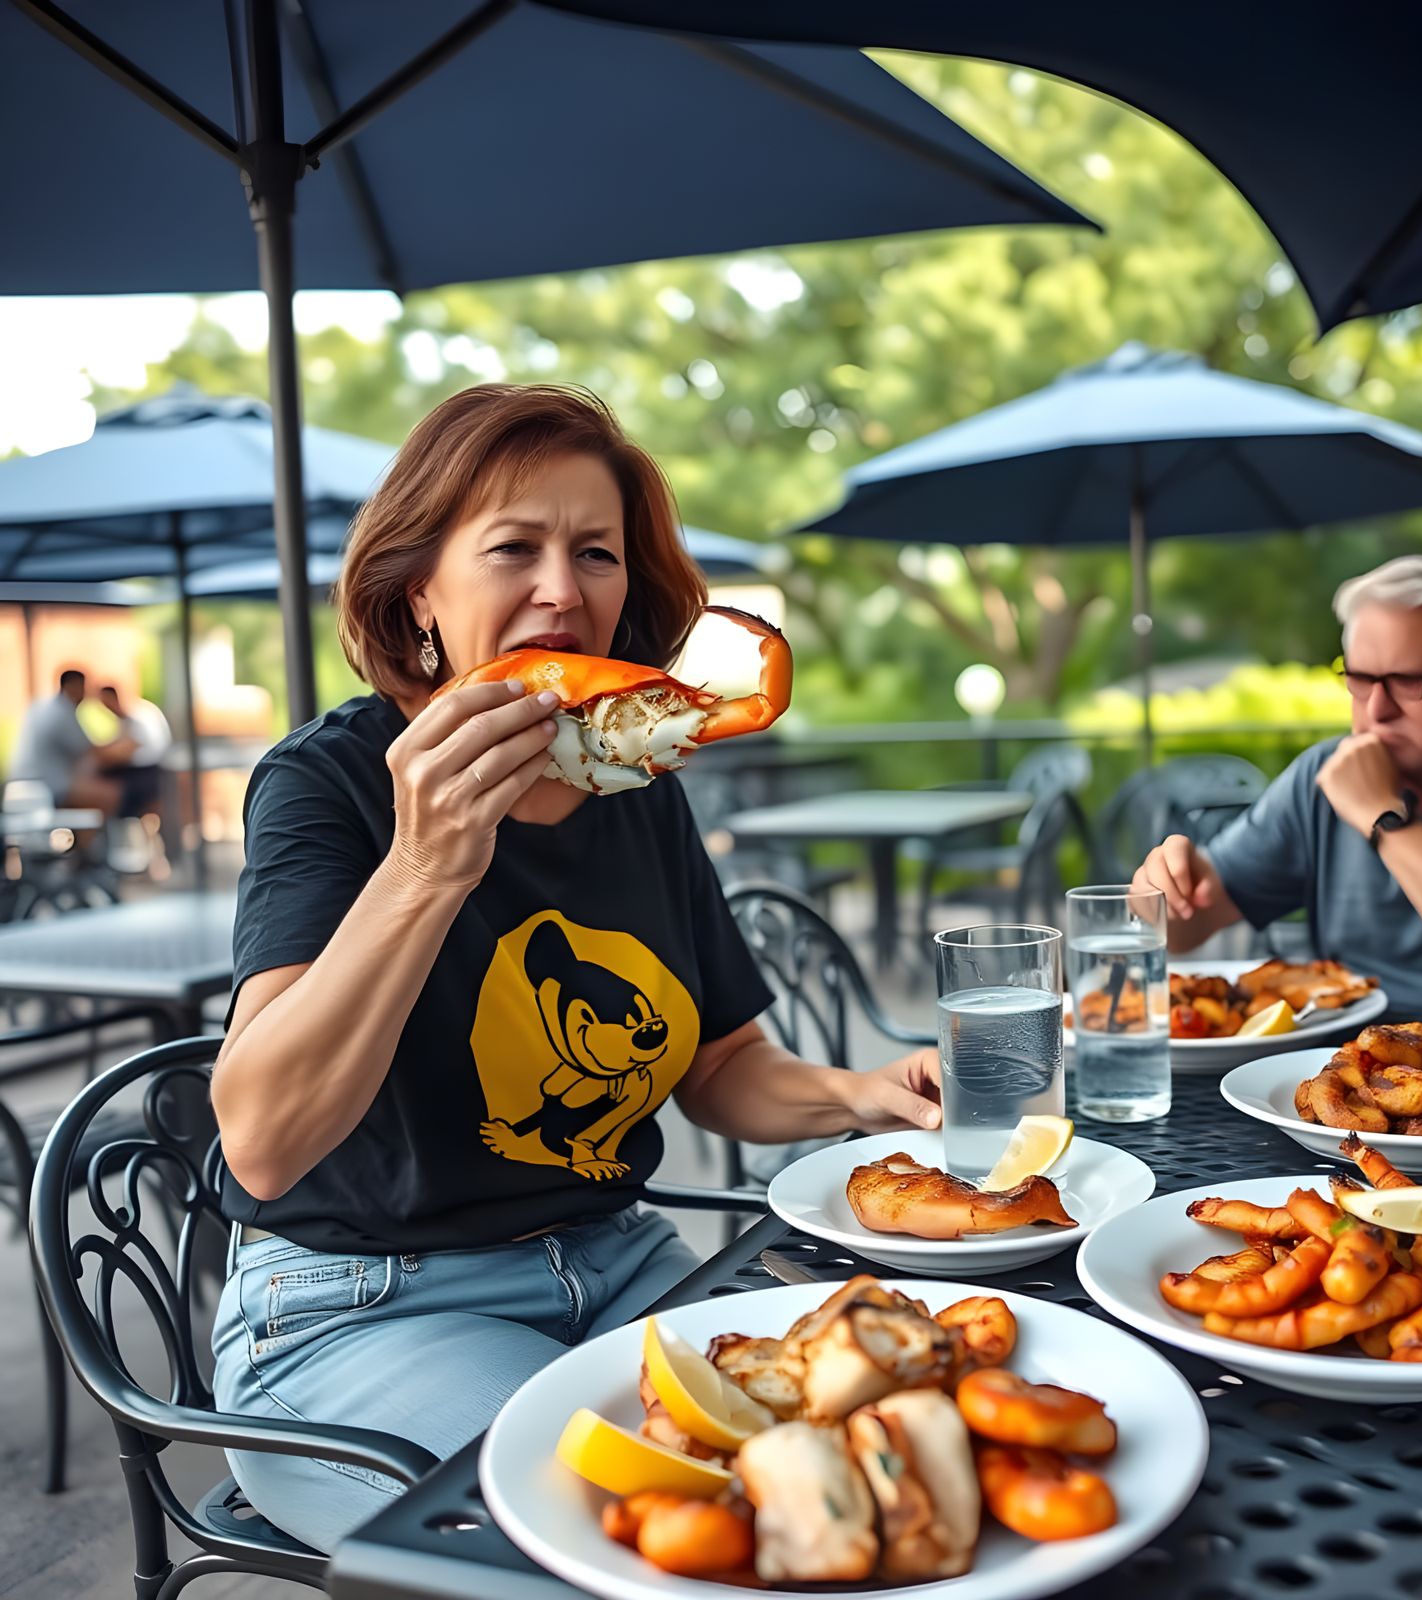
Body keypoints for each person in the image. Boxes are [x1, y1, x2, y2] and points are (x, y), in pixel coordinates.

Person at [209, 384, 944, 1552]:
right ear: (420, 595)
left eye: (596, 552)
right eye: (515, 548)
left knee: (872, 1441)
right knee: (665, 1528)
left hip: (614, 1259)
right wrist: (425, 867)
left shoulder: (635, 781)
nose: (564, 588)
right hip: (361, 1307)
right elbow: (261, 1134)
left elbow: (724, 1064)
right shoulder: (331, 782)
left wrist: (859, 1093)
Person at [1133, 556, 1422, 1015]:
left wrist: (1383, 817)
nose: (1376, 710)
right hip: (1351, 1072)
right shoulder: (1324, 777)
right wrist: (1163, 889)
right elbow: (1186, 925)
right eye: (1359, 679)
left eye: (1406, 681)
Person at [6, 669, 136, 812]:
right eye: (84, 687)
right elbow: (94, 753)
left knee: (95, 789)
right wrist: (125, 745)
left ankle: (86, 831)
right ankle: (89, 834)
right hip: (45, 786)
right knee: (112, 795)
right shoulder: (61, 712)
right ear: (73, 686)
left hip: (26, 782)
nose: (86, 694)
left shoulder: (45, 706)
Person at [96, 684, 169, 820]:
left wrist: (98, 755)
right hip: (141, 771)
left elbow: (125, 750)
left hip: (149, 772)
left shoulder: (139, 714)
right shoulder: (126, 718)